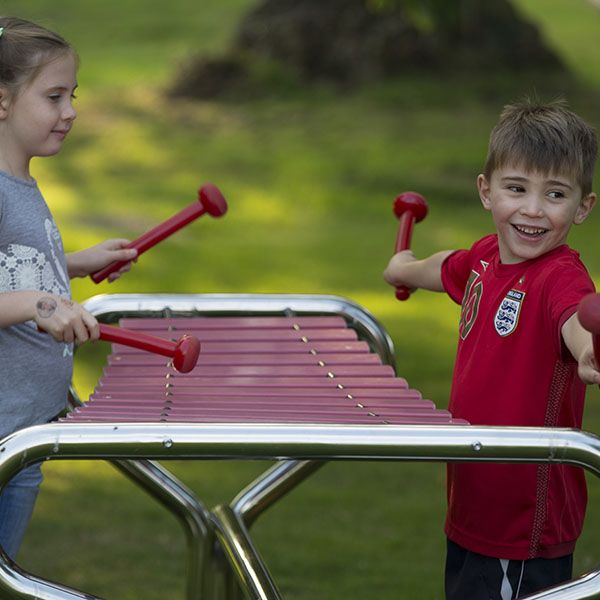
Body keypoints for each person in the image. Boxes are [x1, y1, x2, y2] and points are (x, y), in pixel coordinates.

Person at [384, 98, 599, 600]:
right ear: (486, 191)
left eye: (556, 194)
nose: (532, 209)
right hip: (472, 502)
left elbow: (575, 317)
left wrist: (589, 351)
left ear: (583, 206)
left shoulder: (559, 276)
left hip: (522, 523)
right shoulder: (486, 258)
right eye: (516, 188)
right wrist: (406, 269)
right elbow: (448, 267)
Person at [0, 16, 137, 560]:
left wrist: (75, 263)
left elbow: (12, 267)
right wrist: (43, 304)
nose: (71, 111)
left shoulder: (22, 185)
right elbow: (23, 294)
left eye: (72, 95)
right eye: (54, 96)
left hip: (22, 437)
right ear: (2, 101)